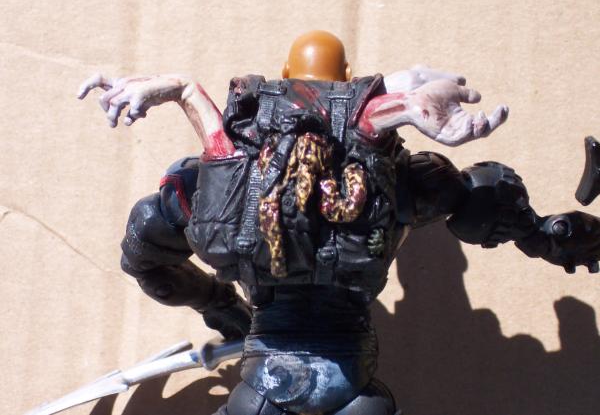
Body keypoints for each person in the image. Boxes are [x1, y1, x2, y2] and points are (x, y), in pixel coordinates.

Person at [78, 30, 600, 415]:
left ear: (284, 75)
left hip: (265, 374)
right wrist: (544, 234)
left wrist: (218, 304)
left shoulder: (216, 185)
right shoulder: (400, 183)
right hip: (351, 373)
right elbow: (484, 199)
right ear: (348, 78)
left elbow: (144, 254)